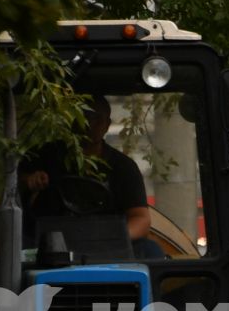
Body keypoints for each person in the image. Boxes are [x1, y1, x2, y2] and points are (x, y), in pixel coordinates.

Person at [19, 96, 153, 247]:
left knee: (150, 250)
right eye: (85, 116)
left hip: (106, 242)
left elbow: (140, 218)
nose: (90, 124)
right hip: (47, 242)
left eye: (97, 119)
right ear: (72, 118)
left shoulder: (123, 167)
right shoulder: (43, 155)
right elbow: (12, 190)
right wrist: (29, 181)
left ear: (107, 124)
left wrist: (115, 238)